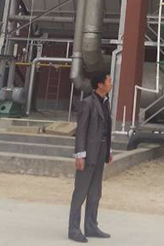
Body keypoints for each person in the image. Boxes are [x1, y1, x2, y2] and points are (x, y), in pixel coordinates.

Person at [68, 72, 113, 243]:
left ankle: (91, 225)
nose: (111, 83)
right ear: (100, 85)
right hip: (88, 153)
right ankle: (73, 229)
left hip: (101, 152)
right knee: (81, 192)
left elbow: (106, 129)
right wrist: (80, 155)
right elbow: (81, 131)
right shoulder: (87, 104)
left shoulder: (105, 103)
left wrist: (109, 150)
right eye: (109, 81)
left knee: (95, 192)